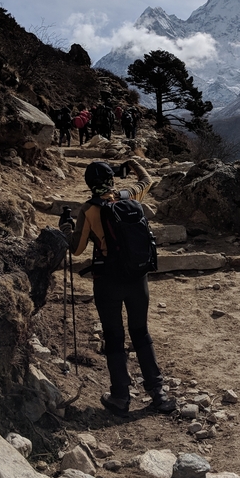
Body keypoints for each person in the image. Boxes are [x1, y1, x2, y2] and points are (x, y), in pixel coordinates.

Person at [58, 157, 175, 414]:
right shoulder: (130, 195)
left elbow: (76, 250)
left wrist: (66, 228)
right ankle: (158, 392)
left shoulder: (89, 210)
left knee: (114, 335)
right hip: (137, 279)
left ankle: (120, 396)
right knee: (140, 332)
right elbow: (148, 180)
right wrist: (132, 162)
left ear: (89, 183)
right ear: (112, 178)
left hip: (108, 281)